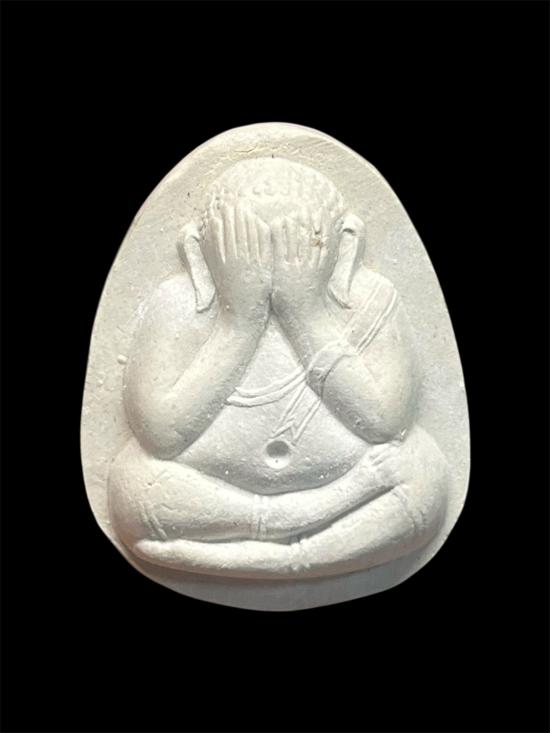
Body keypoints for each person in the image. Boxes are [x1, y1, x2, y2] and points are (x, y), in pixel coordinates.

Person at [109, 158, 449, 579]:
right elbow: (160, 436)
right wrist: (240, 320)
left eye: (294, 243)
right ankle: (274, 530)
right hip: (215, 497)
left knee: (422, 469)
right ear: (200, 249)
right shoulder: (177, 304)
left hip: (349, 490)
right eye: (246, 244)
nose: (270, 263)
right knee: (132, 483)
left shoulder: (371, 298)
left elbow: (387, 423)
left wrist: (304, 312)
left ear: (344, 244)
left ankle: (293, 557)